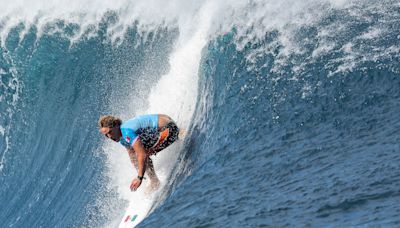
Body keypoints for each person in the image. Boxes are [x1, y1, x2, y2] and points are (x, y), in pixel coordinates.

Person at [98, 114, 180, 191]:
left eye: (110, 132)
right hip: (166, 127)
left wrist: (139, 177)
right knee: (139, 154)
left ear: (116, 125)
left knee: (142, 153)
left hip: (170, 128)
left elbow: (142, 155)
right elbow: (132, 156)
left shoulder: (126, 132)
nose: (109, 136)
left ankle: (155, 182)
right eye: (106, 135)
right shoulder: (123, 138)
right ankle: (154, 180)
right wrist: (139, 171)